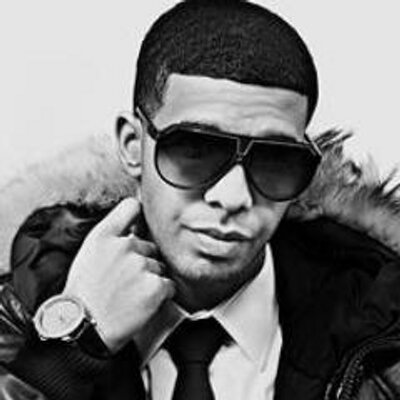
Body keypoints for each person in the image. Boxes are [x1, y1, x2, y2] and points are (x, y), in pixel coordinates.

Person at [0, 0, 400, 399]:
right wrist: (71, 350)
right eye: (196, 149)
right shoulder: (16, 306)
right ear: (133, 146)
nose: (233, 197)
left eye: (274, 158)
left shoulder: (382, 323)